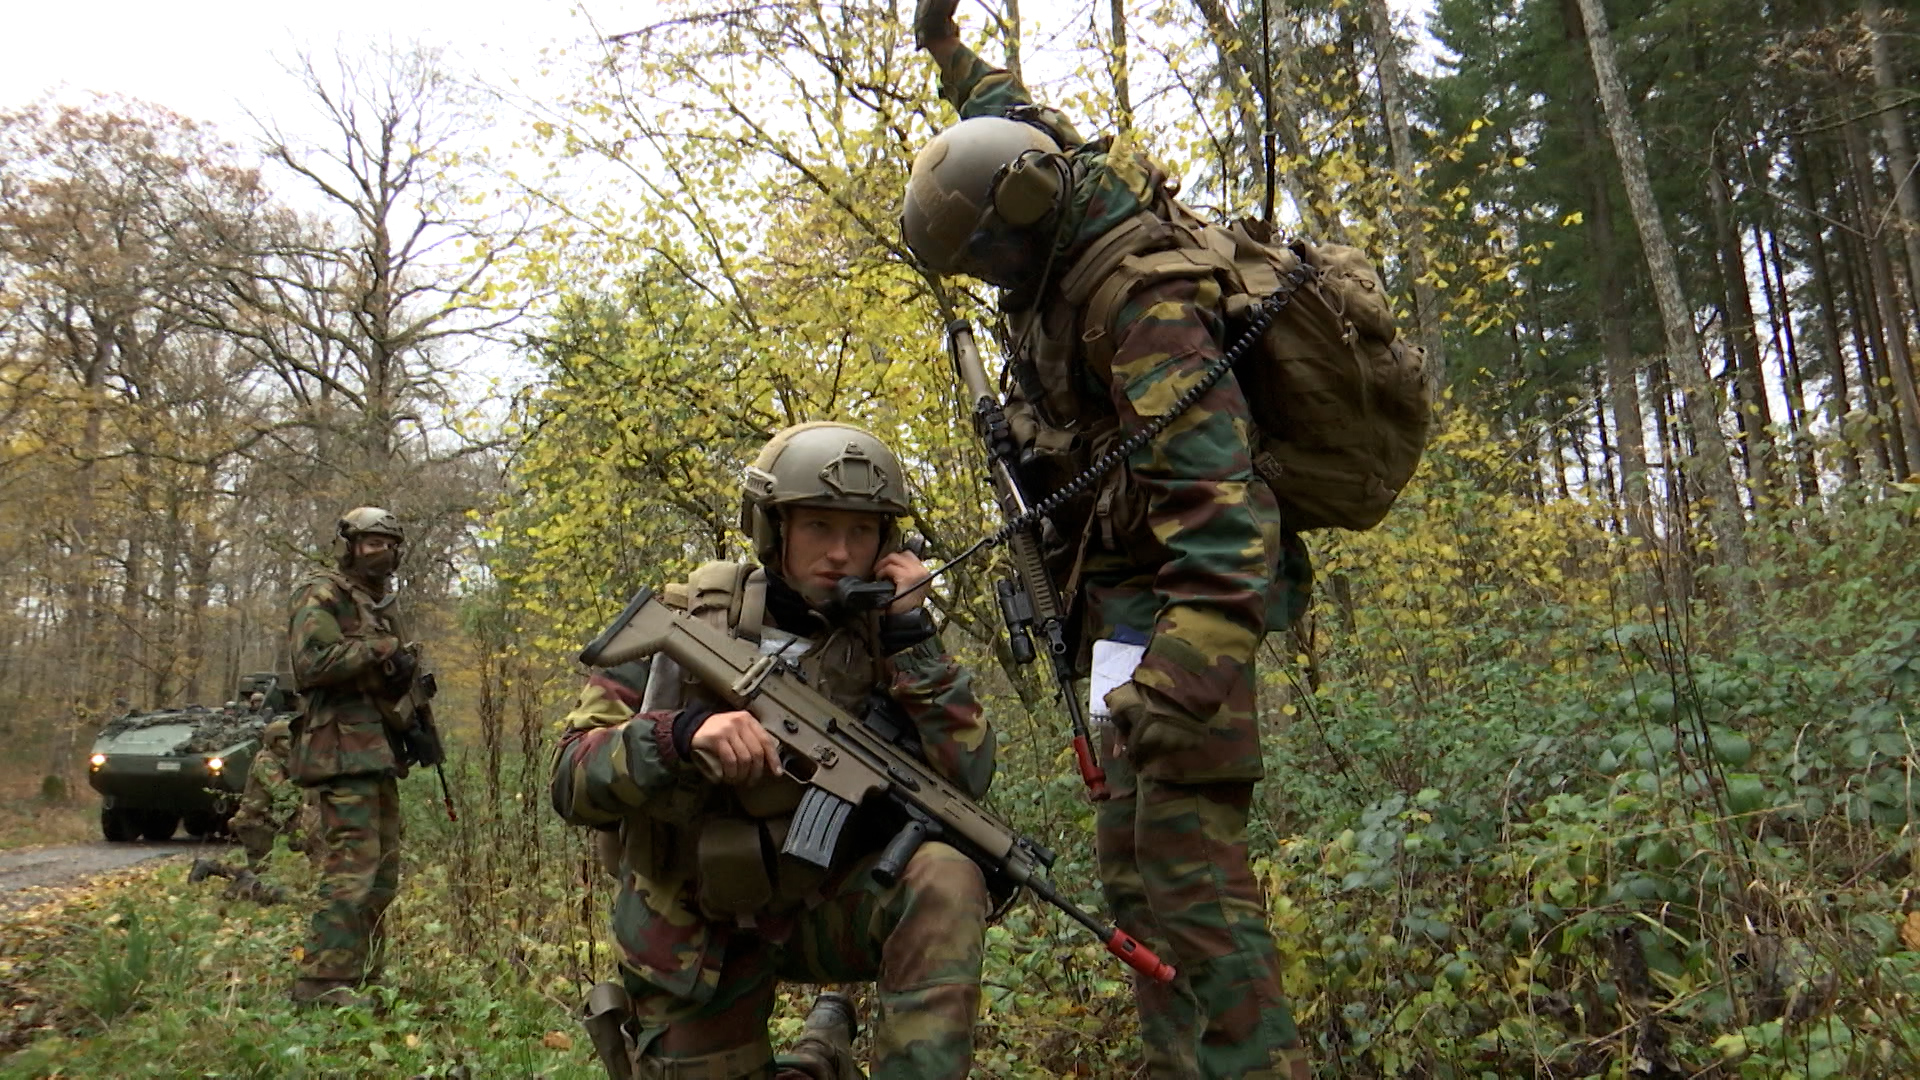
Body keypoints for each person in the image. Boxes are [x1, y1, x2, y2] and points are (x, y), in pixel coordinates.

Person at [902, 5, 1317, 1077]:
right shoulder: (1040, 195)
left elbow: (1230, 529)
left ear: (1028, 217)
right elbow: (1001, 119)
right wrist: (945, 50)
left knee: (1190, 883)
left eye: (992, 255)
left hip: (1187, 623)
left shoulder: (1144, 305)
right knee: (1132, 875)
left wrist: (1170, 692)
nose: (993, 276)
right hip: (1124, 613)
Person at [551, 422, 995, 1080]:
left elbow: (969, 779)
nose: (841, 553)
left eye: (863, 531)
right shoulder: (687, 624)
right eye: (818, 527)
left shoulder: (890, 641)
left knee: (947, 876)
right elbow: (569, 778)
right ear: (773, 526)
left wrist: (915, 638)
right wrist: (678, 737)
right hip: (695, 931)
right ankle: (819, 1057)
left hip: (821, 907)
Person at [285, 506, 418, 1007]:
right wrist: (381, 650)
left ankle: (361, 975)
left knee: (382, 873)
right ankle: (322, 984)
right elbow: (310, 663)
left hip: (374, 751)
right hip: (339, 750)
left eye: (386, 544)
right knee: (351, 869)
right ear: (348, 546)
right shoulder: (322, 593)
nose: (378, 553)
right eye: (368, 543)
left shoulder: (378, 603)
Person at [189, 717, 319, 904]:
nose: (290, 744)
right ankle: (216, 872)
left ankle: (312, 889)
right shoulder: (265, 761)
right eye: (286, 739)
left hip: (270, 820)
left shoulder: (283, 760)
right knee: (258, 873)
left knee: (308, 847)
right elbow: (282, 792)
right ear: (274, 741)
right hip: (254, 822)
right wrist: (305, 780)